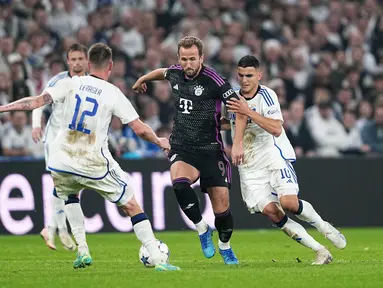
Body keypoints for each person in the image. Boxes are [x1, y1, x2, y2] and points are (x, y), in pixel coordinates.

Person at [0, 43, 180, 271]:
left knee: (70, 195)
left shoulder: (69, 83)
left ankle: (83, 251)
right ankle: (157, 259)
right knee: (133, 206)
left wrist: (2, 108)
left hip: (61, 160)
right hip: (94, 162)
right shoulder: (113, 92)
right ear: (111, 66)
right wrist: (159, 141)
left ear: (88, 63)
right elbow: (140, 129)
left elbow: (35, 102)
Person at [132, 36, 247, 265]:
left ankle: (225, 246)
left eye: (192, 59)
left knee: (222, 210)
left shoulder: (214, 79)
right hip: (183, 147)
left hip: (211, 150)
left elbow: (239, 110)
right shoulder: (175, 72)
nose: (188, 64)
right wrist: (143, 79)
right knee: (179, 183)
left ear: (201, 58)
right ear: (179, 59)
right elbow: (162, 72)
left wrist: (238, 142)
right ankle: (202, 229)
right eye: (184, 59)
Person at [224, 55, 346, 265]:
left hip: (273, 157)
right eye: (241, 75)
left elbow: (275, 128)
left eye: (249, 75)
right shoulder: (233, 98)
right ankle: (320, 251)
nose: (244, 80)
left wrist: (248, 111)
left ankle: (324, 226)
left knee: (288, 203)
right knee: (273, 213)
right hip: (249, 167)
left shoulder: (267, 96)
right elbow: (232, 122)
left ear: (259, 75)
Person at [32, 43, 88, 251]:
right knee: (62, 184)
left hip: (74, 143)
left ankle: (56, 229)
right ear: (68, 61)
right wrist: (36, 125)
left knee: (71, 187)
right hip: (54, 140)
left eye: (80, 59)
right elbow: (39, 102)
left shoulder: (90, 83)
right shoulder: (58, 80)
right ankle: (55, 228)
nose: (76, 63)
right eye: (73, 59)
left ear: (86, 61)